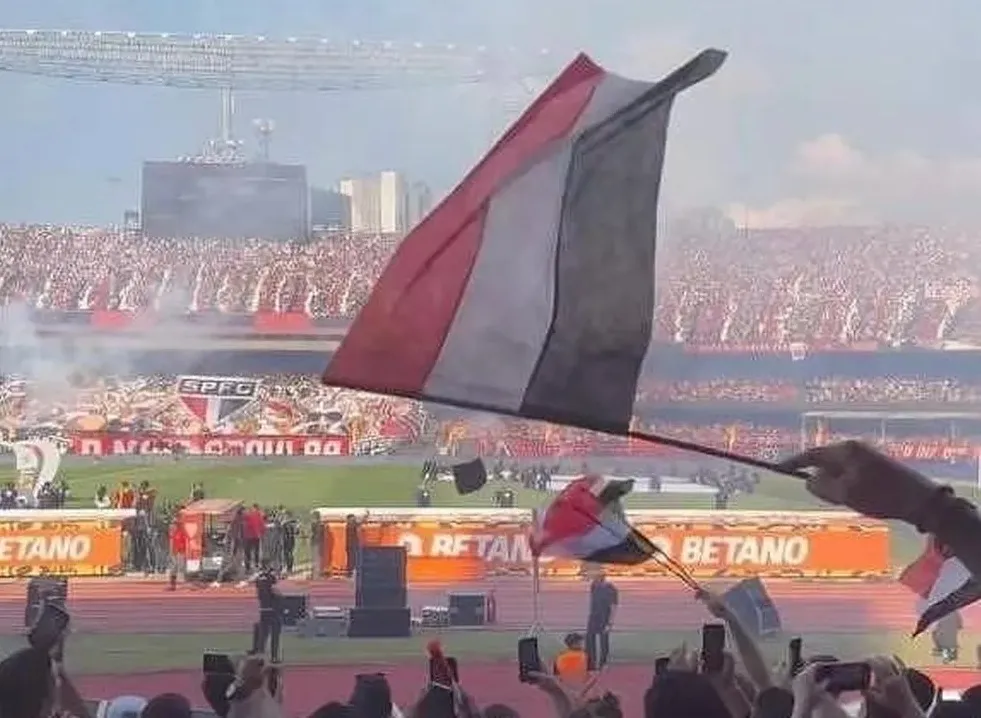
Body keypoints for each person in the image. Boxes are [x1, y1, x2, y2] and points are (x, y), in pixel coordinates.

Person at [585, 566, 617, 670]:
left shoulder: (611, 589)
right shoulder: (593, 586)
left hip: (604, 618)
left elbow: (613, 607)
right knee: (589, 639)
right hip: (593, 616)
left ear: (601, 577)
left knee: (604, 642)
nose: (593, 579)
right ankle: (591, 663)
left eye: (595, 577)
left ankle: (603, 663)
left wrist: (610, 623)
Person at [254, 561, 283, 662]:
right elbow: (275, 591)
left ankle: (260, 657)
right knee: (275, 634)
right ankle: (274, 657)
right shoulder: (271, 578)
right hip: (273, 609)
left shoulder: (258, 579)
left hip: (263, 608)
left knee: (263, 635)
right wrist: (280, 598)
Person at [168, 519, 189, 591]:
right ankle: (173, 584)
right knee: (173, 568)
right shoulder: (172, 535)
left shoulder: (180, 533)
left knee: (180, 567)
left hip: (180, 553)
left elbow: (184, 543)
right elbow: (171, 544)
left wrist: (182, 552)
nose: (172, 527)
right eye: (172, 525)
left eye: (174, 525)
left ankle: (180, 584)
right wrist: (171, 553)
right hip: (174, 553)